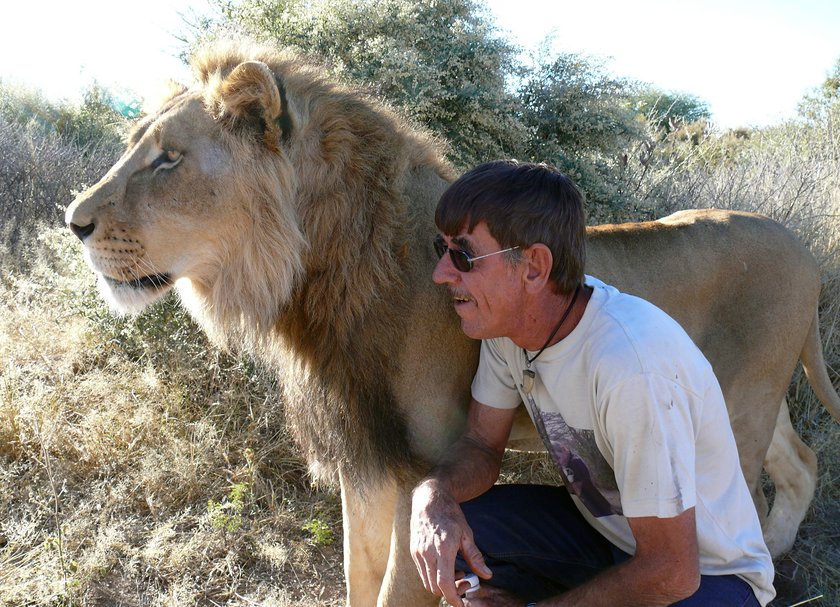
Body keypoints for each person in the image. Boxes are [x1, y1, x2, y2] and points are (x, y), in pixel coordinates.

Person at [410, 160, 775, 607]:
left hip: (707, 576)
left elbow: (673, 573)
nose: (441, 273)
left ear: (533, 267)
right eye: (440, 249)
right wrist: (433, 496)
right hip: (608, 541)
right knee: (457, 528)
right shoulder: (508, 330)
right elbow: (481, 446)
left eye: (464, 256)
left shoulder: (630, 367)